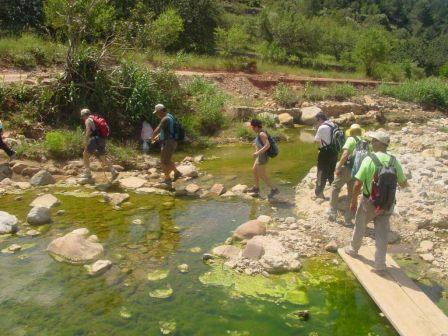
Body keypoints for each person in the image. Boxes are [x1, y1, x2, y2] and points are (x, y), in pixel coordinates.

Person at [345, 130, 408, 273]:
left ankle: (353, 250)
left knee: (360, 225)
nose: (371, 142)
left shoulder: (369, 159)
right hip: (387, 203)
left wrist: (354, 201)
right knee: (382, 233)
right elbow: (403, 183)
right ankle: (380, 265)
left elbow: (357, 184)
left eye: (374, 140)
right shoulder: (393, 160)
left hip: (369, 202)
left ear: (380, 143)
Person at [327, 123, 365, 225]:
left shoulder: (351, 139)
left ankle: (333, 211)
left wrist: (338, 167)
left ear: (351, 132)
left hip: (348, 169)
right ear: (360, 132)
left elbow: (345, 154)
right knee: (351, 194)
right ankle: (348, 219)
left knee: (335, 187)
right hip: (358, 171)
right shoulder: (365, 142)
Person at [80, 108, 118, 181]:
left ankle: (87, 173)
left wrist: (86, 141)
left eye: (82, 116)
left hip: (95, 139)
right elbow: (94, 130)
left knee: (85, 154)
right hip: (102, 139)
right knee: (102, 156)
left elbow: (88, 131)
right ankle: (113, 171)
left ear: (84, 115)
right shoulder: (94, 119)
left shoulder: (88, 120)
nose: (82, 118)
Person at [151, 104, 182, 187]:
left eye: (157, 112)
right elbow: (167, 131)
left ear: (160, 111)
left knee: (164, 161)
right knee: (166, 159)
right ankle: (176, 173)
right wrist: (159, 137)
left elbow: (157, 129)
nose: (156, 114)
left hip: (169, 142)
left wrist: (152, 137)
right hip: (170, 141)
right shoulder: (170, 116)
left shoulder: (165, 119)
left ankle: (168, 179)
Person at [246, 119, 279, 198]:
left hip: (263, 156)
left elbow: (267, 145)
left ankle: (274, 189)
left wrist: (257, 153)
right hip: (260, 155)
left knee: (262, 174)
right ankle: (256, 188)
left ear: (257, 127)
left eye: (253, 127)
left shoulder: (262, 134)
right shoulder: (259, 133)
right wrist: (255, 145)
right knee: (254, 170)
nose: (252, 129)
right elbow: (261, 144)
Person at [314, 112, 338, 199]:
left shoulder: (322, 127)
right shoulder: (333, 124)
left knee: (321, 173)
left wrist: (317, 129)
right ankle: (334, 192)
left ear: (320, 119)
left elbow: (316, 141)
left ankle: (319, 193)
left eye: (317, 121)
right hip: (334, 152)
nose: (317, 122)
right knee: (331, 172)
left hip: (325, 153)